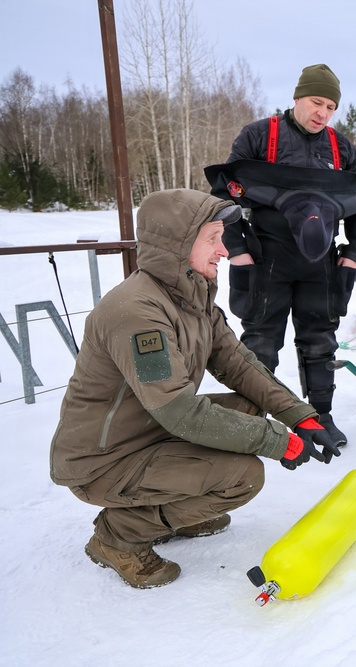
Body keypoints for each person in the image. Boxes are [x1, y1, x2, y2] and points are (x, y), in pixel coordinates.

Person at [50, 189, 340, 589]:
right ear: (175, 245)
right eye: (212, 238)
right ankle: (116, 538)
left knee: (247, 407)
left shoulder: (192, 295)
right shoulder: (138, 312)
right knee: (244, 476)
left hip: (147, 431)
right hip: (104, 460)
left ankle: (179, 507)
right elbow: (177, 411)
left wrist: (300, 416)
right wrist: (279, 442)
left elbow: (239, 364)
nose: (223, 250)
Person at [216, 63, 356, 447]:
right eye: (316, 102)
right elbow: (226, 193)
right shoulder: (259, 136)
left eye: (331, 107)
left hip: (321, 263)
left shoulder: (341, 148)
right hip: (266, 257)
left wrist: (352, 256)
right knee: (261, 342)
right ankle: (254, 420)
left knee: (321, 341)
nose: (322, 113)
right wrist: (238, 252)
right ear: (297, 98)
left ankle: (321, 416)